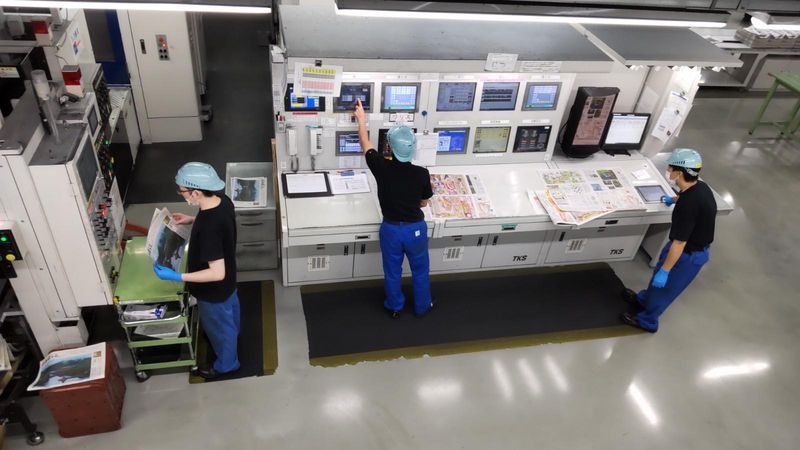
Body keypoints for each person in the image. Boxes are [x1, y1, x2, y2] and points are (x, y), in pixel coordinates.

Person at [153, 162, 240, 379]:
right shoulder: (222, 201)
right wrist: (192, 219)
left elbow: (216, 273)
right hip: (229, 282)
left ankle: (226, 365)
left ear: (196, 192)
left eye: (182, 191)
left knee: (220, 328)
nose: (181, 194)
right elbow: (215, 221)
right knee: (230, 315)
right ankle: (231, 336)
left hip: (213, 290)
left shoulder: (210, 229)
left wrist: (177, 276)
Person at [353, 99, 434, 319]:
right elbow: (424, 202)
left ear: (390, 147)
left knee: (392, 271)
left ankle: (395, 306)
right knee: (420, 270)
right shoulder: (421, 173)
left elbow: (364, 142)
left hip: (390, 231)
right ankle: (422, 306)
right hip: (415, 230)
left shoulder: (381, 167)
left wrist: (361, 119)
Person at [621, 148, 717, 333]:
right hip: (683, 249)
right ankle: (644, 300)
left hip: (689, 255)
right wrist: (673, 199)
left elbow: (679, 243)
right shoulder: (699, 186)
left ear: (679, 172)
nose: (668, 170)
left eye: (670, 168)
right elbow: (687, 197)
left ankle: (647, 321)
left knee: (665, 287)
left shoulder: (687, 207)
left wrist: (665, 271)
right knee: (656, 282)